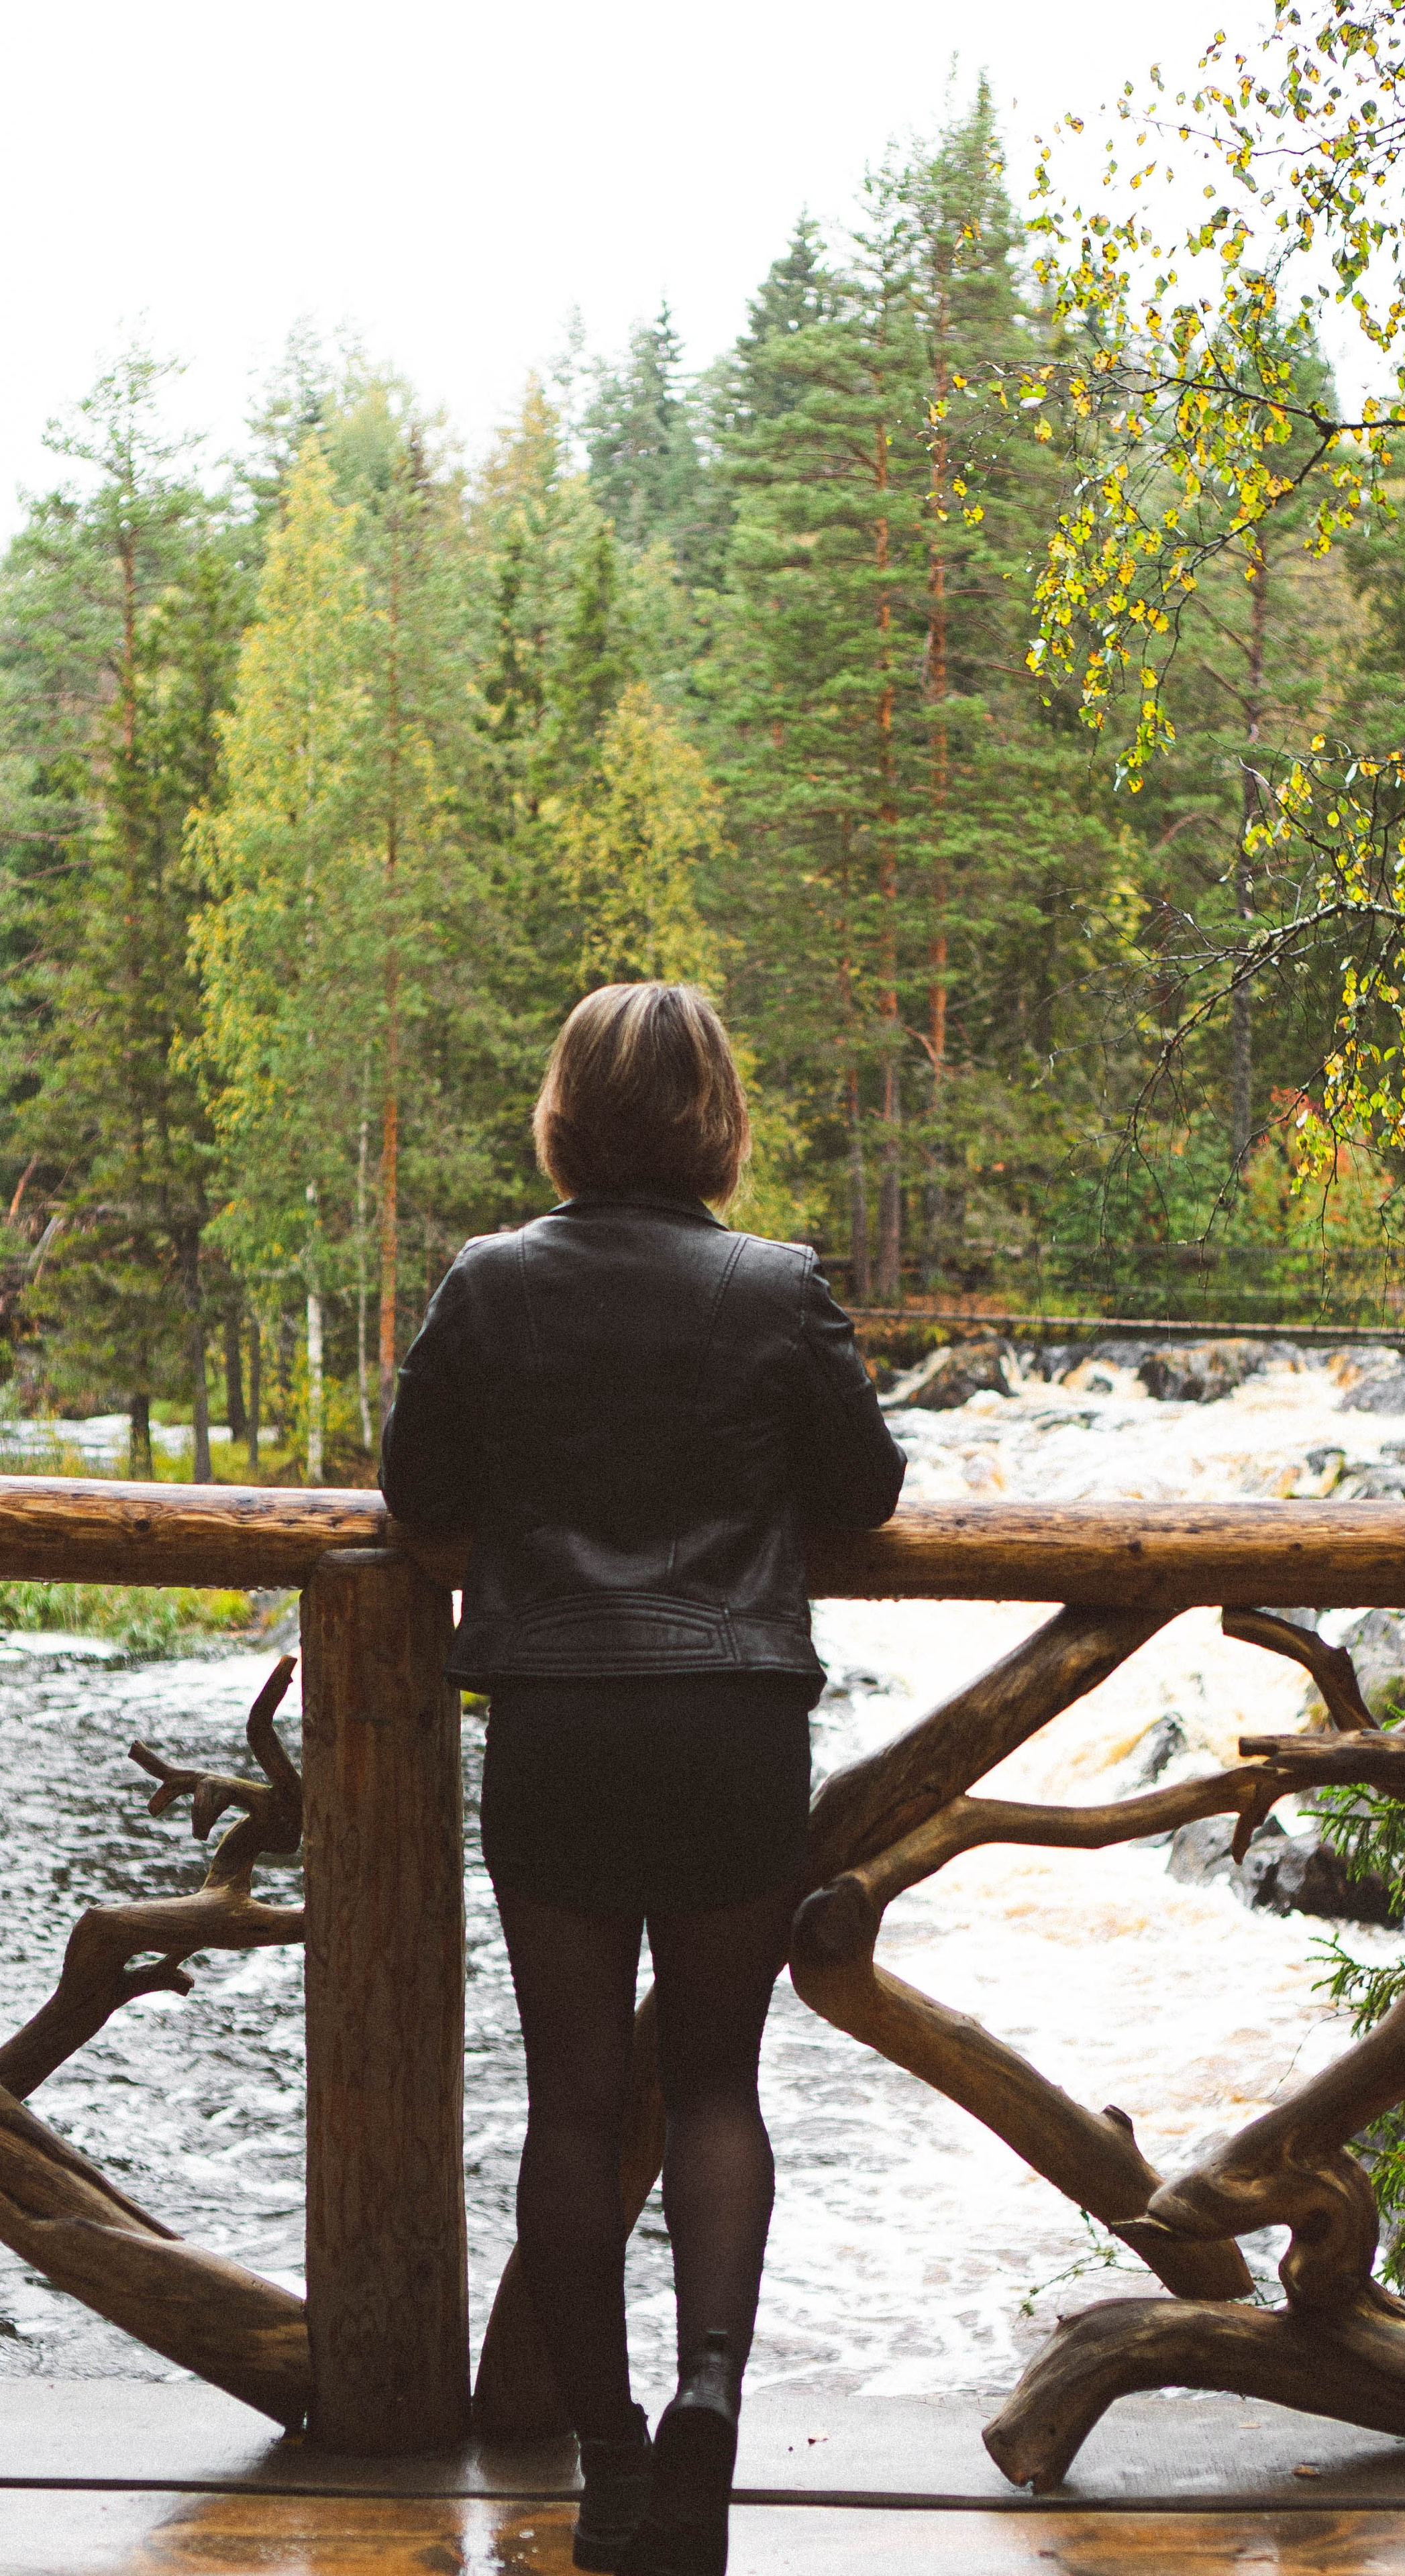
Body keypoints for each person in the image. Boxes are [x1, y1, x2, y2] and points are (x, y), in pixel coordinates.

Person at [380, 982, 904, 2576]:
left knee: (570, 2104)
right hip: (730, 1719)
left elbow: (416, 1498)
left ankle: (603, 2461)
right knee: (718, 2088)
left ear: (563, 1115)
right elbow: (866, 1493)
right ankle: (712, 2403)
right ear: (713, 1118)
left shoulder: (487, 1284)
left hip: (557, 1724)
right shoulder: (776, 1287)